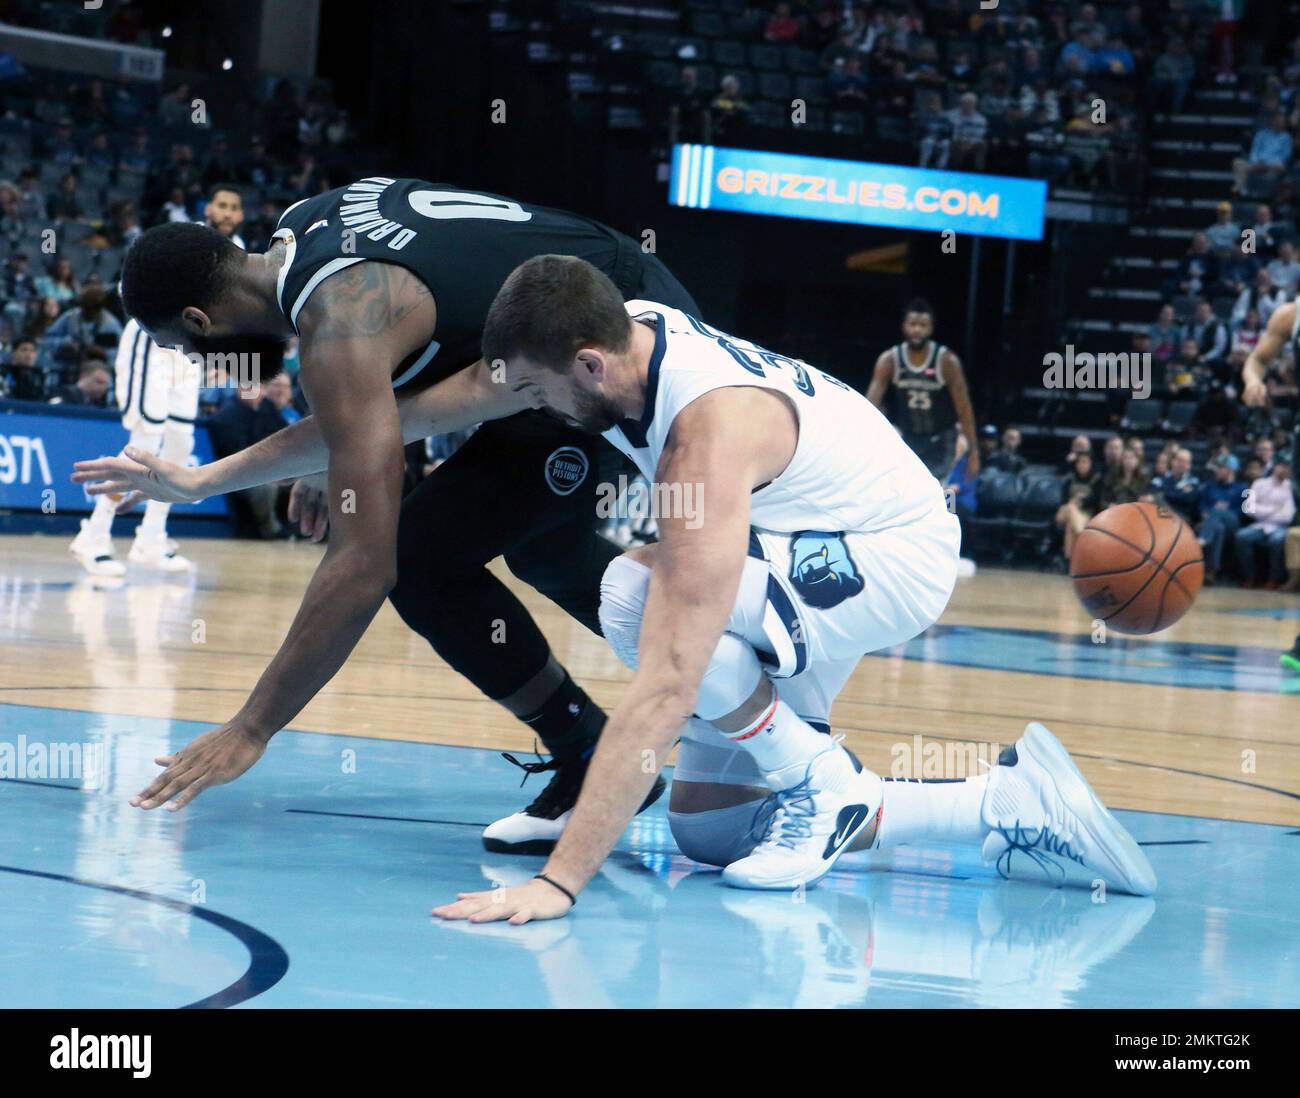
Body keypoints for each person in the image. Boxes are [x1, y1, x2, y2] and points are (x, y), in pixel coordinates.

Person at [425, 255, 1154, 921]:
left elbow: (671, 681)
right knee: (715, 831)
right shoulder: (629, 335)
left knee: (633, 596)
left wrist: (558, 883)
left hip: (891, 552)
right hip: (802, 545)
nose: (532, 406)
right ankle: (1004, 801)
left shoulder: (701, 434)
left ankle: (823, 782)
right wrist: (339, 453)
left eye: (534, 390)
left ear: (588, 364)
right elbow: (471, 396)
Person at [73, 177, 699, 848]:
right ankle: (706, 697)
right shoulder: (302, 226)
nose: (203, 366)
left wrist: (251, 728)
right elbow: (409, 372)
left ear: (200, 322)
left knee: (422, 560)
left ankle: (668, 725)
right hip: (594, 293)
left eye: (184, 350)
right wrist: (252, 470)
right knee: (546, 550)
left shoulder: (336, 327)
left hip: (609, 336)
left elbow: (363, 565)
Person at [68, 315, 201, 575]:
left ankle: (151, 538)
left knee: (180, 443)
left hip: (190, 338)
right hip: (153, 329)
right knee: (145, 443)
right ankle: (94, 535)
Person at [866, 299, 979, 480]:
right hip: (907, 437)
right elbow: (869, 407)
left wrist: (974, 454)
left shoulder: (947, 361)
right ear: (904, 326)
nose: (917, 329)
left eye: (923, 325)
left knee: (934, 492)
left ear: (931, 328)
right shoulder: (889, 360)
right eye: (913, 324)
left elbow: (964, 409)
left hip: (941, 440)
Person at [1234, 458, 1295, 588]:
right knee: (1241, 536)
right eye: (1280, 466)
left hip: (1280, 527)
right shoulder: (1258, 483)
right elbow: (1248, 508)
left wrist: (1261, 509)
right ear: (1275, 467)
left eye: (1286, 467)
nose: (1282, 469)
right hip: (1259, 525)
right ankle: (1249, 576)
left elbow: (1287, 516)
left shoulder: (1291, 487)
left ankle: (1274, 579)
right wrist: (1273, 510)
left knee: (1276, 541)